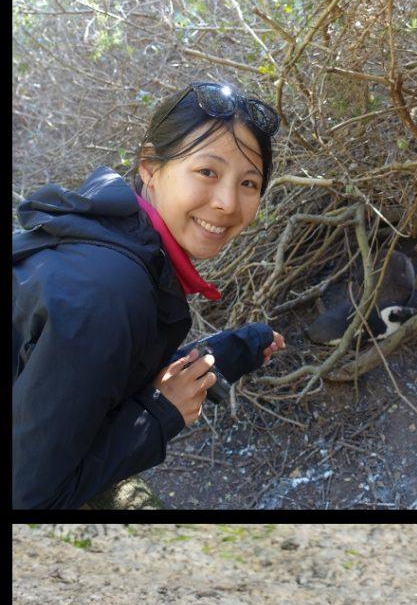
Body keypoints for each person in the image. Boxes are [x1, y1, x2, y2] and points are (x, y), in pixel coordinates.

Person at [12, 81, 286, 509]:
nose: (228, 203)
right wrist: (162, 413)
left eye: (249, 183)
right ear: (149, 166)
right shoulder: (110, 292)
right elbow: (31, 496)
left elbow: (100, 368)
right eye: (208, 172)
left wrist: (236, 349)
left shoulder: (115, 241)